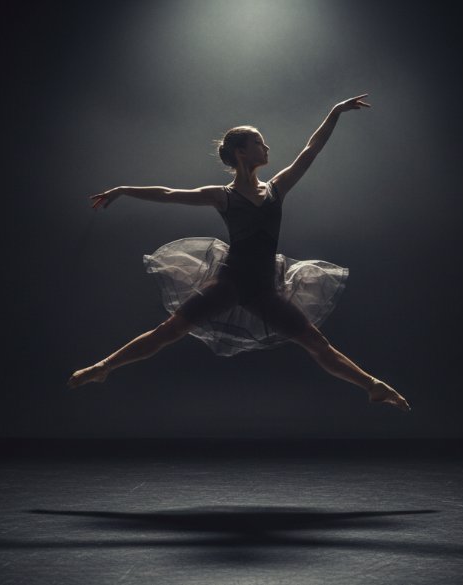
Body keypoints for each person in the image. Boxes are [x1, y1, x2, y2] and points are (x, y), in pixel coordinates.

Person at [68, 94, 410, 411]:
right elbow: (170, 193)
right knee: (169, 331)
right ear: (242, 152)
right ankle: (102, 367)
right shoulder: (223, 195)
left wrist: (335, 112)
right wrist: (124, 190)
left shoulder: (277, 188)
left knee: (316, 343)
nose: (267, 146)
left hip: (263, 289)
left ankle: (372, 385)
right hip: (230, 282)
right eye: (259, 141)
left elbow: (311, 150)